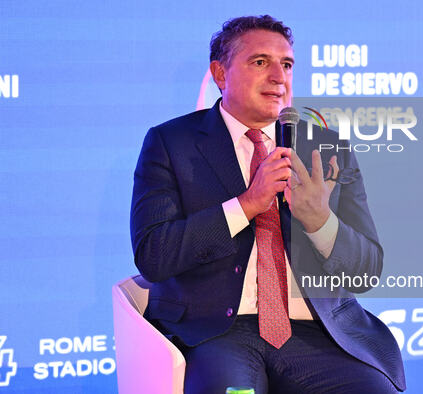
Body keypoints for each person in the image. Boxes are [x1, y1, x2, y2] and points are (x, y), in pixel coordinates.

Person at [131, 15, 405, 393]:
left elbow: (366, 270)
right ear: (220, 74)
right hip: (219, 333)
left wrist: (320, 222)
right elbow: (154, 255)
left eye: (287, 64)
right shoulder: (171, 143)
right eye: (260, 62)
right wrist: (246, 204)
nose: (279, 76)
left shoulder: (326, 148)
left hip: (317, 332)